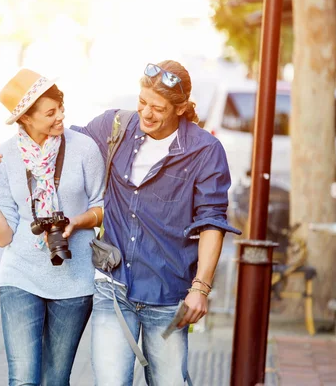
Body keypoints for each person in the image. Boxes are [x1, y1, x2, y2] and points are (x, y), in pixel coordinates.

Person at [68, 60, 242, 385]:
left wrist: (200, 289)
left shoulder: (205, 151)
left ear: (180, 108)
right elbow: (67, 146)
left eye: (157, 108)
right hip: (113, 284)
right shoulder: (115, 126)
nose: (146, 114)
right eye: (142, 102)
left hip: (168, 292)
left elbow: (212, 224)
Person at [0, 68, 105, 386]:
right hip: (20, 276)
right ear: (26, 119)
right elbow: (4, 235)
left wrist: (77, 221)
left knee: (56, 379)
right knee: (23, 378)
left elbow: (104, 206)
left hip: (75, 281)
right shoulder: (6, 157)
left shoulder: (84, 149)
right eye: (50, 112)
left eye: (60, 108)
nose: (60, 117)